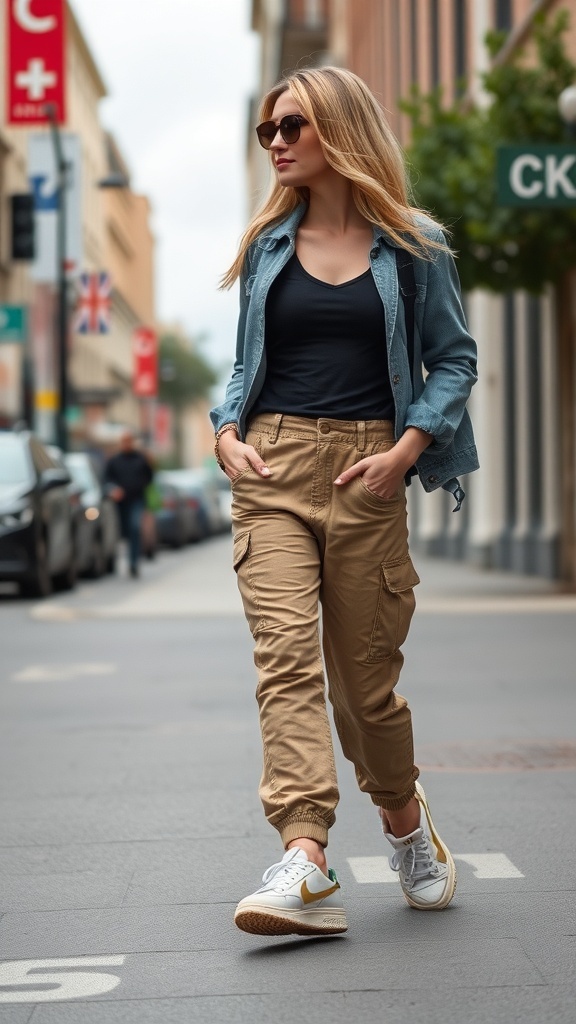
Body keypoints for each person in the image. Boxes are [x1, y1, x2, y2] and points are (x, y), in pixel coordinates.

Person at [210, 66, 479, 937]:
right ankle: (306, 856)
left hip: (369, 474)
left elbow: (454, 359)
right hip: (272, 469)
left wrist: (407, 450)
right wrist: (225, 429)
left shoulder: (414, 246)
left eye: (291, 125)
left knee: (365, 690)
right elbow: (246, 366)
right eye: (268, 130)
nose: (276, 142)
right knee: (285, 660)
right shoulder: (268, 247)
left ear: (340, 128)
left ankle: (404, 820)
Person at [105, 430, 153, 578]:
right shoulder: (114, 461)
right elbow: (107, 480)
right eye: (124, 441)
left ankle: (133, 563)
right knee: (121, 532)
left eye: (129, 441)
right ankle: (114, 562)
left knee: (134, 528)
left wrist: (138, 485)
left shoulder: (140, 459)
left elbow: (149, 477)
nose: (126, 444)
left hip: (136, 500)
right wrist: (114, 490)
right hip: (120, 503)